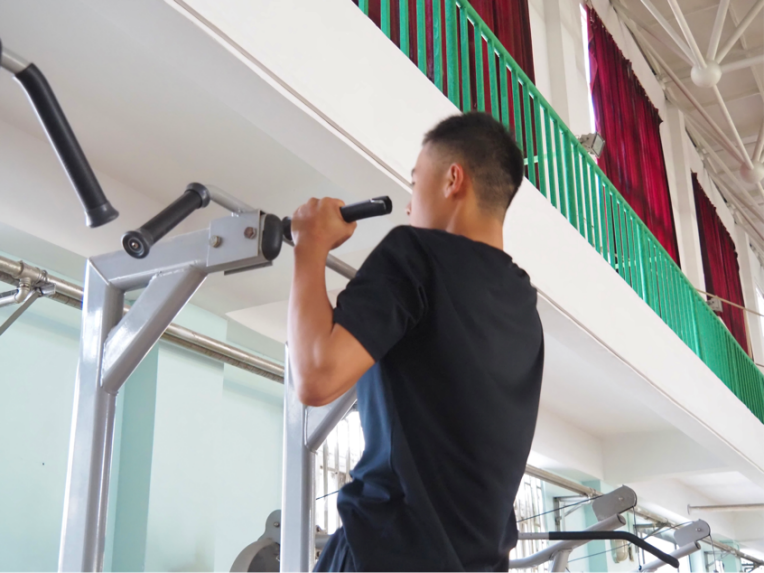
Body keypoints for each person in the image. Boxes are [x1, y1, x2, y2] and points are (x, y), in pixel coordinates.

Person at [287, 112, 544, 573]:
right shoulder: (524, 302)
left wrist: (310, 245)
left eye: (414, 183)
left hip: (385, 554)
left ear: (453, 180)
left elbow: (316, 377)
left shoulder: (416, 253)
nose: (409, 206)